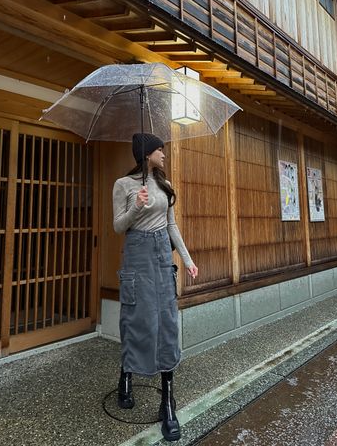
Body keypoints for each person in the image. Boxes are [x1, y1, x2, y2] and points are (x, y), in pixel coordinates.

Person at [112, 132, 198, 442]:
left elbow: (171, 225)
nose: (164, 153)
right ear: (147, 153)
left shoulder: (165, 185)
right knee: (136, 319)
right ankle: (126, 373)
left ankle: (167, 400)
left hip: (162, 255)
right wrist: (136, 206)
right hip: (136, 254)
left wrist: (187, 260)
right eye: (160, 149)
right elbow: (118, 226)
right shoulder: (123, 185)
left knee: (166, 322)